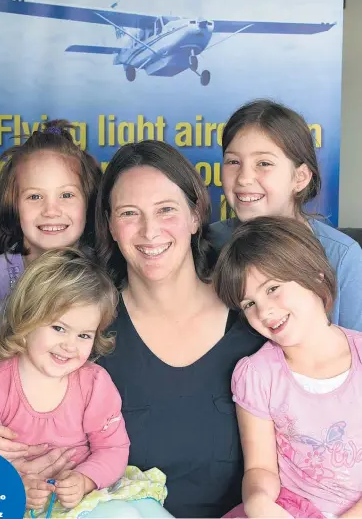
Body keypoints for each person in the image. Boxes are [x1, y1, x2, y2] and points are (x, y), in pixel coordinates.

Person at [93, 140, 265, 518]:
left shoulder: (255, 316)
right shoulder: (86, 329)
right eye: (129, 213)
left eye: (166, 210)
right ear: (110, 226)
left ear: (194, 216)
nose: (149, 231)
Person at [0, 120, 102, 457]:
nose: (51, 210)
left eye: (66, 194)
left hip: (80, 454)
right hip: (8, 449)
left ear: (87, 202)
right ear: (14, 204)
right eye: (34, 196)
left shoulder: (105, 276)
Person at [214, 216, 362, 519]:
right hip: (291, 510)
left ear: (316, 275)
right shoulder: (257, 374)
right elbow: (260, 467)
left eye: (273, 289)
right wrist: (258, 500)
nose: (264, 311)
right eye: (248, 304)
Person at [0, 248, 129, 514]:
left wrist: (85, 479)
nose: (69, 346)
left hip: (86, 500)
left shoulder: (94, 384)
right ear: (27, 320)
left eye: (84, 336)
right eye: (59, 328)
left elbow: (114, 448)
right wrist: (13, 485)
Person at [209, 99, 362, 330]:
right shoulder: (206, 244)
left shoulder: (342, 257)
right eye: (233, 162)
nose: (243, 178)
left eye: (263, 163)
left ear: (300, 177)